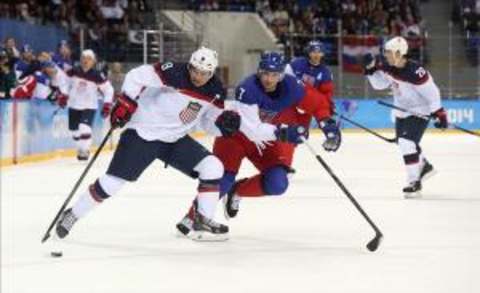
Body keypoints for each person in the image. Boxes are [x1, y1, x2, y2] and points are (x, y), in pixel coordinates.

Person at [55, 47, 241, 241]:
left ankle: (202, 220)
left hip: (174, 140)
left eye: (204, 73)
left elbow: (207, 122)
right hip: (143, 133)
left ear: (211, 73)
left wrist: (222, 127)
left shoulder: (216, 90)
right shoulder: (173, 72)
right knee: (112, 183)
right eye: (195, 70)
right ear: (190, 65)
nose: (198, 76)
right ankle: (73, 214)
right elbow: (136, 76)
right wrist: (126, 101)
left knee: (213, 166)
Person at [176, 51, 341, 234]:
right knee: (222, 180)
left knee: (278, 183)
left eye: (274, 75)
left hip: (267, 138)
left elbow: (318, 104)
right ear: (258, 71)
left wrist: (328, 125)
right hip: (236, 136)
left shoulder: (293, 86)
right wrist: (285, 132)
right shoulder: (247, 88)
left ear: (282, 75)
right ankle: (192, 217)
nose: (269, 79)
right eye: (265, 73)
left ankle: (237, 191)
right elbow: (252, 130)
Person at [363, 36, 447, 198]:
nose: (385, 55)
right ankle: (424, 165)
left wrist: (439, 113)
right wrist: (370, 70)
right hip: (401, 110)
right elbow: (380, 85)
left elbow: (433, 93)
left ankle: (414, 181)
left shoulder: (416, 72)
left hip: (419, 110)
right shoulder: (387, 65)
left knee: (406, 142)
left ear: (399, 53)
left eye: (389, 52)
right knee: (404, 144)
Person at [57, 49, 114, 161]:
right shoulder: (73, 71)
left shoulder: (97, 75)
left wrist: (107, 104)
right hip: (73, 105)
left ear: (93, 61)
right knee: (74, 131)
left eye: (89, 59)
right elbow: (63, 81)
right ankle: (81, 148)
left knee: (84, 127)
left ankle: (85, 150)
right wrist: (63, 94)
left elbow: (108, 90)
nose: (85, 61)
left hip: (89, 106)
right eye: (83, 58)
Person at [285, 40, 335, 115]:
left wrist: (328, 105)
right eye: (313, 52)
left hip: (307, 106)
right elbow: (284, 78)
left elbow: (327, 92)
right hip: (289, 102)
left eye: (319, 52)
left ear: (323, 54)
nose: (316, 55)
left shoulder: (326, 73)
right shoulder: (297, 63)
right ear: (308, 53)